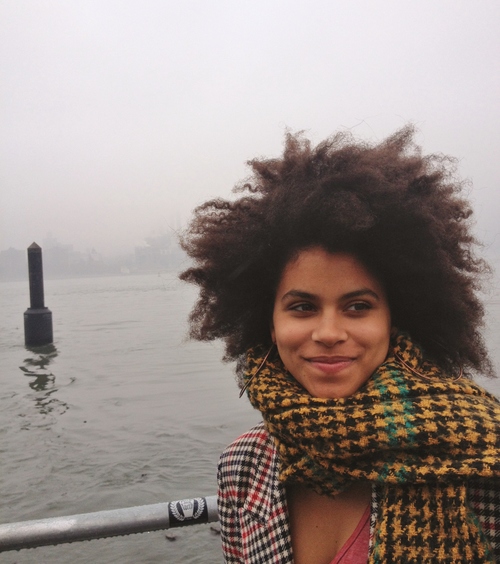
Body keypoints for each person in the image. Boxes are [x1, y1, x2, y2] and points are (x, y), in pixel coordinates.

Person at [179, 126, 500, 563]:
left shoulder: (482, 455)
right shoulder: (243, 466)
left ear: (394, 319)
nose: (328, 333)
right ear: (269, 323)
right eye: (302, 307)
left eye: (357, 307)